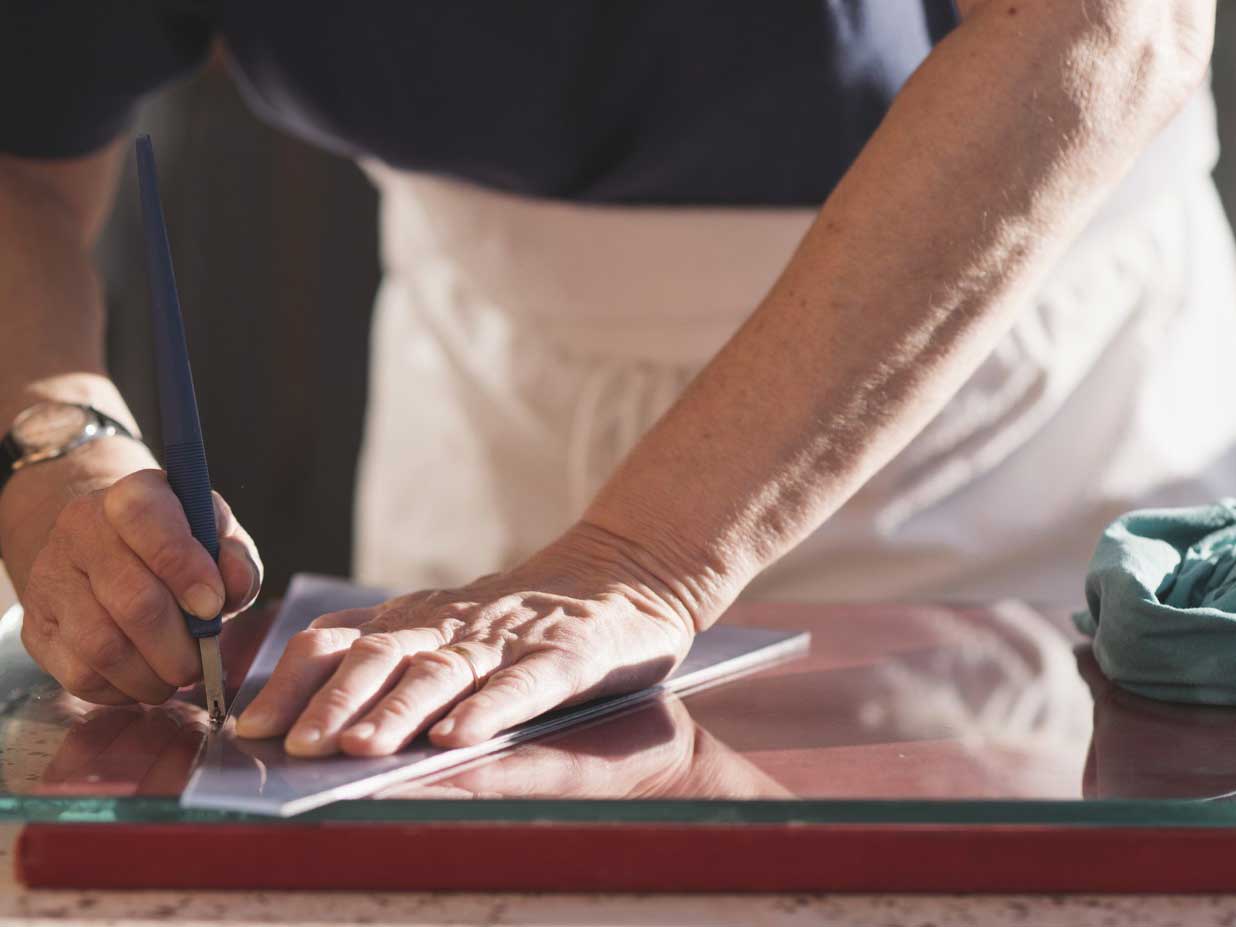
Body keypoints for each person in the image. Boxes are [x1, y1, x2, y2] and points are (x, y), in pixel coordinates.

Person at [0, 1, 1222, 758]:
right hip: (489, 388)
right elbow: (24, 158)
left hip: (997, 385)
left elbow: (1106, 22)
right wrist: (58, 442)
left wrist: (643, 558)